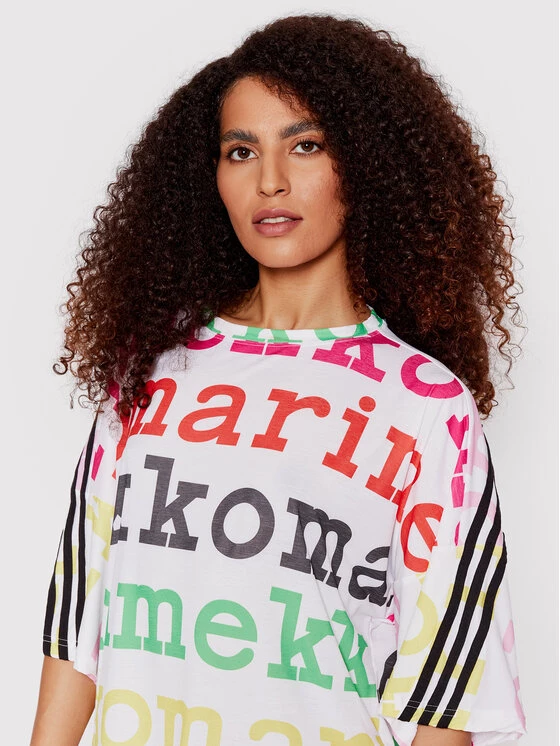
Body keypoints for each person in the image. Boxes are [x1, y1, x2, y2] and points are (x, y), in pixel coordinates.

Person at [30, 14, 527, 746]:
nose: (270, 181)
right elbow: (79, 624)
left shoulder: (426, 407)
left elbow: (445, 693)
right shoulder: (149, 371)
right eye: (241, 151)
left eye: (306, 145)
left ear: (365, 165)